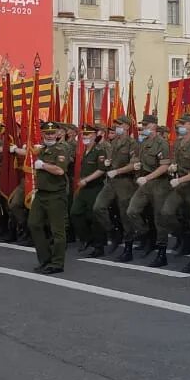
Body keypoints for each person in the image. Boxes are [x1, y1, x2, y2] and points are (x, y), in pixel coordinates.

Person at [126, 114, 173, 266]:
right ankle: (146, 235)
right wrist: (137, 166)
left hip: (158, 183)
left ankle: (162, 252)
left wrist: (148, 177)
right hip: (144, 182)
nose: (143, 128)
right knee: (132, 211)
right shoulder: (143, 142)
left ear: (154, 126)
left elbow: (164, 166)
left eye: (146, 125)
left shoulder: (162, 143)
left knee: (160, 218)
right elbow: (137, 159)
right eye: (143, 125)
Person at [162, 114, 190, 265]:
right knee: (167, 212)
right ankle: (183, 237)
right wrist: (173, 167)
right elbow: (174, 162)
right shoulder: (178, 143)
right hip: (179, 184)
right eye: (178, 124)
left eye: (182, 124)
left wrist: (180, 179)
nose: (179, 127)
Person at [29, 121, 72, 274]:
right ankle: (45, 259)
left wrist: (43, 166)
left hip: (56, 194)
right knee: (34, 224)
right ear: (43, 134)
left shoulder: (61, 149)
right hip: (41, 193)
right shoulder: (41, 149)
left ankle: (57, 263)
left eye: (52, 132)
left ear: (57, 134)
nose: (49, 135)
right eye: (47, 133)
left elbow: (60, 170)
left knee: (57, 231)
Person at [94, 115, 139, 260]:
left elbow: (133, 164)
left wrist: (118, 171)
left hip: (125, 182)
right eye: (116, 124)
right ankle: (113, 231)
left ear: (126, 126)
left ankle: (128, 247)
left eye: (119, 125)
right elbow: (112, 159)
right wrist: (109, 162)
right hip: (111, 181)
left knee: (125, 215)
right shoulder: (113, 142)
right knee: (98, 207)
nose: (117, 127)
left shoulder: (132, 143)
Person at [70, 124, 108, 257]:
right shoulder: (84, 150)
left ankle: (99, 247)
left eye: (88, 134)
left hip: (94, 187)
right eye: (83, 135)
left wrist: (87, 180)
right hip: (83, 188)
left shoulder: (99, 150)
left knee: (94, 217)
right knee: (75, 213)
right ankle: (87, 238)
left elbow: (101, 170)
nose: (85, 137)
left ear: (95, 135)